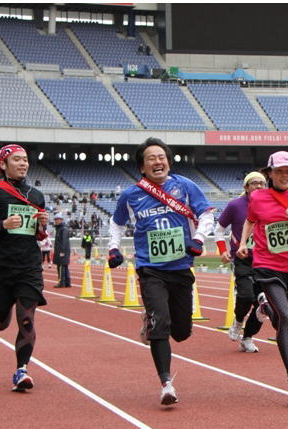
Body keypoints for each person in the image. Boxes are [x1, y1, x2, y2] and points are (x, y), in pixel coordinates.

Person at [107, 138, 213, 406]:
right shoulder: (131, 195)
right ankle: (166, 383)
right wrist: (113, 248)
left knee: (181, 332)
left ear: (168, 160)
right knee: (161, 325)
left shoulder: (186, 186)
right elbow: (116, 223)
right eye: (151, 158)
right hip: (150, 268)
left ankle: (153, 320)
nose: (157, 161)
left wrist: (199, 239)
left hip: (181, 267)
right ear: (142, 167)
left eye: (161, 156)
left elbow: (207, 214)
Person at [237, 151, 288, 399]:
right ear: (270, 173)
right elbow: (250, 221)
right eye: (279, 171)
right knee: (286, 317)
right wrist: (243, 243)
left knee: (280, 320)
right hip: (266, 265)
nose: (284, 176)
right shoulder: (258, 198)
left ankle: (264, 307)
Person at [0, 144, 49, 392]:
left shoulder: (36, 196)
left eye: (25, 160)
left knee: (26, 320)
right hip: (1, 266)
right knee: (3, 318)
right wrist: (1, 224)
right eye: (17, 160)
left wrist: (41, 227)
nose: (23, 164)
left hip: (29, 266)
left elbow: (37, 234)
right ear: (3, 165)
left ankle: (21, 370)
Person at [215, 172, 266, 353]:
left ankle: (248, 337)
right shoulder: (235, 206)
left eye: (262, 183)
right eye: (254, 183)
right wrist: (223, 250)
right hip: (243, 259)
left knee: (265, 305)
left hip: (266, 261)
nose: (259, 186)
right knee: (245, 296)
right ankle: (238, 321)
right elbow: (219, 229)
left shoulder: (269, 204)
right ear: (246, 187)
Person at [53, 213, 71, 288]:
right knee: (64, 266)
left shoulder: (63, 229)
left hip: (62, 251)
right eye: (55, 219)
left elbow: (64, 241)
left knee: (61, 267)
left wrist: (62, 251)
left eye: (57, 219)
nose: (56, 221)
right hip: (61, 250)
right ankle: (67, 282)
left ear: (61, 220)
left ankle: (61, 282)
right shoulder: (60, 228)